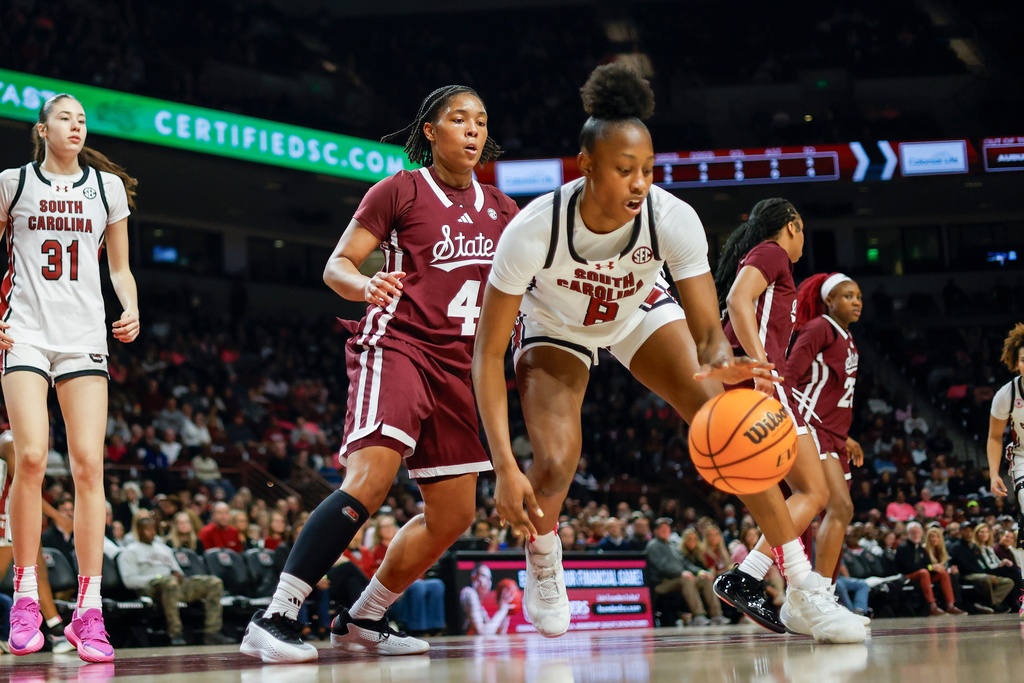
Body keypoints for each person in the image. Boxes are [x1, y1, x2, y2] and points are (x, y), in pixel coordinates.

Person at [472, 63, 865, 644]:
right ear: (586, 166)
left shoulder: (672, 217)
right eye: (625, 170)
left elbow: (708, 330)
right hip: (556, 322)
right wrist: (505, 465)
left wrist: (720, 362)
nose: (639, 183)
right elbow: (485, 356)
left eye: (648, 170)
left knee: (724, 416)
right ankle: (545, 555)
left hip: (635, 310)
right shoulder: (533, 229)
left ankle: (802, 588)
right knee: (555, 461)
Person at [240, 83, 518, 664]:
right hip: (400, 345)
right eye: (459, 119)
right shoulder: (400, 190)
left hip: (462, 367)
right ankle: (275, 616)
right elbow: (336, 266)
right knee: (370, 477)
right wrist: (366, 284)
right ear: (430, 132)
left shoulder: (503, 211)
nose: (473, 130)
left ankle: (363, 618)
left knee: (455, 515)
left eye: (482, 121)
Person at [0, 92, 140, 662]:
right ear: (42, 129)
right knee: (31, 456)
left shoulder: (105, 190)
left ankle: (88, 610)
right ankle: (27, 594)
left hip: (83, 336)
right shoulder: (12, 182)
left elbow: (120, 267)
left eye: (82, 119)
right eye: (65, 117)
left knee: (88, 466)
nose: (76, 125)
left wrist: (130, 305)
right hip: (25, 330)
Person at [782, 273, 864, 580]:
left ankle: (820, 591)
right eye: (847, 296)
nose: (856, 301)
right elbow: (789, 377)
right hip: (811, 427)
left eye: (858, 296)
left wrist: (846, 436)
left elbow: (832, 395)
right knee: (840, 507)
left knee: (839, 511)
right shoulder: (819, 328)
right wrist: (797, 422)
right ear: (829, 300)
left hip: (832, 433)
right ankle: (818, 590)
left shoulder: (847, 337)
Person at [0, 431, 75, 653]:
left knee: (39, 571)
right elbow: (27, 487)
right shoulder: (10, 441)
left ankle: (56, 630)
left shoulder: (25, 442)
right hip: (5, 517)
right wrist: (57, 515)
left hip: (21, 515)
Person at [117, 515, 234, 646]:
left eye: (153, 528)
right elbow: (129, 581)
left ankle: (212, 632)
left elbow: (178, 571)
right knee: (170, 583)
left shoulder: (164, 549)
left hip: (174, 586)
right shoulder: (130, 551)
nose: (151, 532)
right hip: (151, 589)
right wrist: (158, 578)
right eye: (147, 529)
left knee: (213, 582)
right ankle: (175, 632)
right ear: (138, 530)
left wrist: (178, 575)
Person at [986, 323, 1024, 546]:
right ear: (1016, 364)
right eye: (1023, 359)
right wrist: (993, 473)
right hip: (1022, 457)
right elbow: (994, 437)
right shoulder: (1006, 395)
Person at [895, 521, 965, 616]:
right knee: (924, 572)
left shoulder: (920, 548)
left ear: (921, 533)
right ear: (908, 534)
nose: (916, 534)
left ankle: (950, 605)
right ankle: (932, 605)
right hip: (907, 576)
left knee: (942, 573)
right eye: (913, 532)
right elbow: (909, 567)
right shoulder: (903, 547)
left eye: (918, 532)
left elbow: (926, 564)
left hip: (922, 575)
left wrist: (935, 567)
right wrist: (930, 567)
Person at [460, 563, 514, 635]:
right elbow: (482, 632)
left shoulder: (481, 609)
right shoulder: (469, 593)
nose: (488, 581)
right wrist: (501, 612)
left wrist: (505, 617)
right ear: (474, 577)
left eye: (490, 579)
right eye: (484, 576)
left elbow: (492, 631)